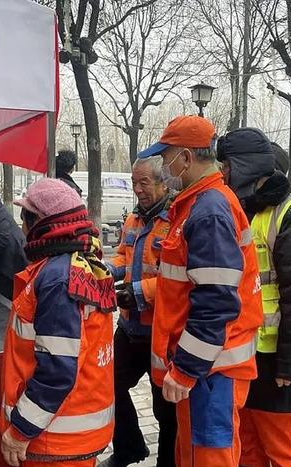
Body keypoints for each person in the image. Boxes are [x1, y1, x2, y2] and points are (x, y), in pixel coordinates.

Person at [138, 115, 262, 467]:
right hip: (208, 369)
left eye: (166, 158)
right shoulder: (200, 205)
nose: (163, 167)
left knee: (209, 457)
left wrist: (187, 369)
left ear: (187, 158)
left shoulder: (208, 210)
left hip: (210, 373)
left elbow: (216, 302)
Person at [217, 128, 291, 466]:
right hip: (246, 354)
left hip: (281, 358)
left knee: (284, 448)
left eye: (225, 165)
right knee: (247, 445)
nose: (221, 173)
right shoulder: (245, 209)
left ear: (244, 165)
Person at [0, 178, 115, 467]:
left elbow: (57, 370)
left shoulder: (57, 279)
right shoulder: (77, 262)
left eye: (25, 217)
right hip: (67, 432)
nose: (22, 227)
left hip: (55, 439)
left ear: (38, 222)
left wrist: (20, 430)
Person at [99, 156, 177, 467]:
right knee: (109, 385)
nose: (138, 189)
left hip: (161, 330)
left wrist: (140, 292)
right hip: (130, 327)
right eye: (134, 183)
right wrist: (104, 269)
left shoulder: (176, 221)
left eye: (144, 182)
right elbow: (122, 257)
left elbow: (178, 277)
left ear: (163, 182)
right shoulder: (133, 219)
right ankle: (129, 448)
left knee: (165, 407)